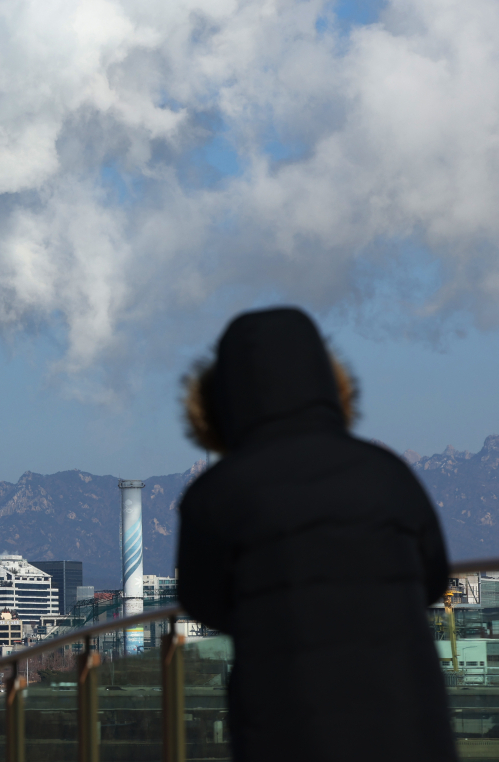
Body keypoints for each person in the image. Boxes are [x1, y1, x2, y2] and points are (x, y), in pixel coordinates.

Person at [176, 307, 454, 761]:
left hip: (285, 721)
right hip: (407, 716)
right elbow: (434, 577)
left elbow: (203, 599)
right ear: (332, 384)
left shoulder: (214, 494)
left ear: (216, 402)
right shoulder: (387, 474)